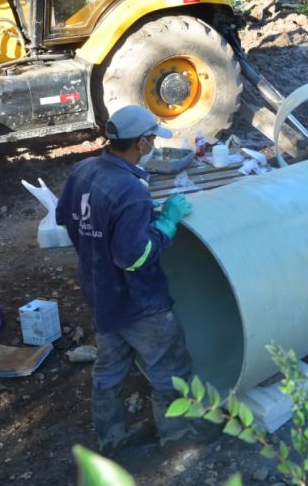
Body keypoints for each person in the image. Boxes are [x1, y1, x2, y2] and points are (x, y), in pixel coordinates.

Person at [56, 105, 203, 452]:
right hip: (140, 301)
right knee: (170, 367)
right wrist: (165, 223)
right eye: (151, 139)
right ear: (140, 143)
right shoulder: (131, 190)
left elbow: (66, 217)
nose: (153, 144)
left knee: (109, 369)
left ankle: (111, 437)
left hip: (100, 292)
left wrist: (110, 231)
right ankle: (178, 438)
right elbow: (132, 257)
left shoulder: (82, 170)